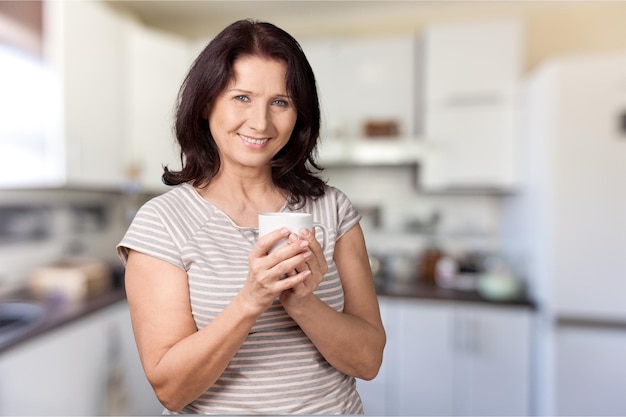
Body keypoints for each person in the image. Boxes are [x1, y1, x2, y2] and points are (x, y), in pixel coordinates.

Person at [117, 19, 386, 415]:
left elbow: (368, 362)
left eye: (280, 101)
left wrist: (302, 304)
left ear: (299, 114)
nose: (261, 122)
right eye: (242, 97)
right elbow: (171, 390)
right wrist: (251, 300)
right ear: (207, 103)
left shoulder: (333, 210)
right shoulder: (162, 224)